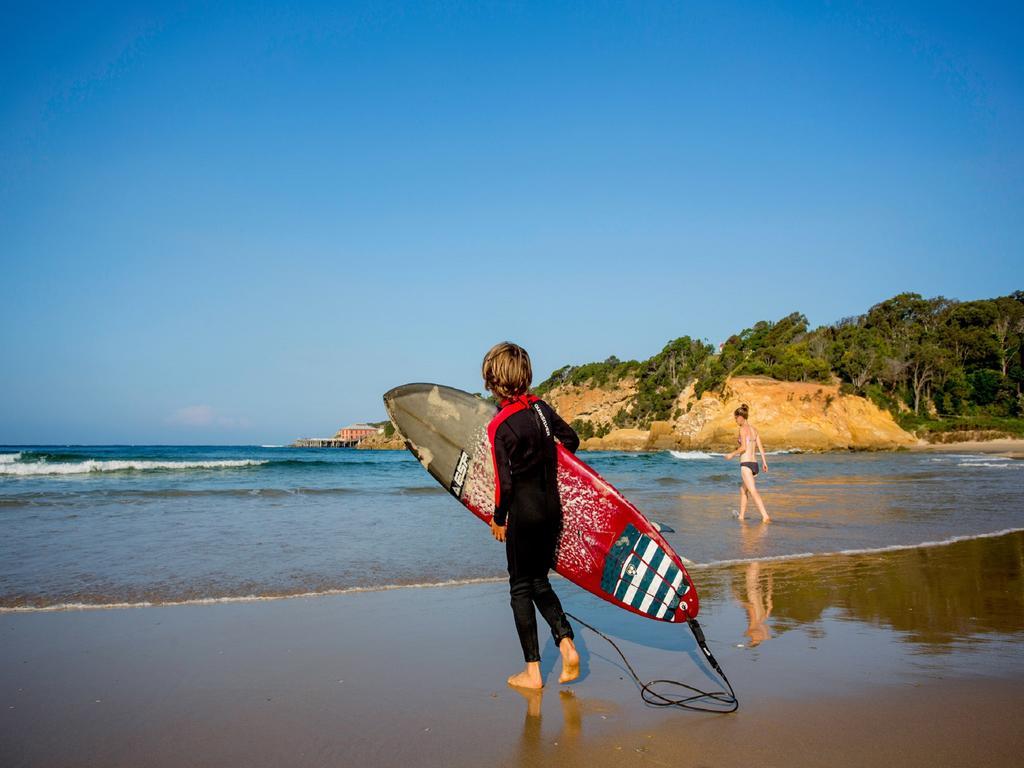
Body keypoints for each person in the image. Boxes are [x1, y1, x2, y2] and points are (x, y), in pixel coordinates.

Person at [483, 341, 581, 689]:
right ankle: (566, 644)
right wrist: (548, 457)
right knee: (540, 581)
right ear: (525, 376)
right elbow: (571, 440)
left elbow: (504, 484)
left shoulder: (500, 425)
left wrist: (498, 519)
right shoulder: (541, 408)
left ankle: (533, 672)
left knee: (520, 588)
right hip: (551, 507)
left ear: (493, 381)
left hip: (523, 514)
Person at [724, 403, 770, 522]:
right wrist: (764, 463)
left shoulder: (742, 429)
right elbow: (760, 447)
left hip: (746, 465)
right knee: (743, 490)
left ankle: (765, 516)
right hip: (754, 465)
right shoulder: (754, 430)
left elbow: (743, 447)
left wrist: (732, 454)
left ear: (740, 417)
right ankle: (741, 516)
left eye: (735, 418)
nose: (735, 420)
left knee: (753, 491)